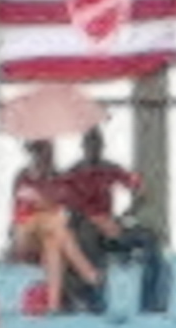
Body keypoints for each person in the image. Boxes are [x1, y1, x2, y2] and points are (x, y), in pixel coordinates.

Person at [59, 130, 167, 314]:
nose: (93, 150)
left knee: (149, 239)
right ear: (83, 147)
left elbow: (140, 189)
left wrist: (127, 214)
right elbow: (63, 205)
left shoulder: (108, 169)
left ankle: (152, 303)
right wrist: (91, 219)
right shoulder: (74, 173)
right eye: (90, 145)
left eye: (97, 145)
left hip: (110, 227)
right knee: (87, 236)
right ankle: (94, 300)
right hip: (85, 226)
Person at [8, 138, 104, 310]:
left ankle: (53, 304)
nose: (44, 158)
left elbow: (64, 209)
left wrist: (44, 204)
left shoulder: (58, 180)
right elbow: (21, 211)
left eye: (47, 153)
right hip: (25, 235)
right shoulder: (24, 177)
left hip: (49, 234)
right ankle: (89, 273)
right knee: (53, 224)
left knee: (53, 242)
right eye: (40, 152)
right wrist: (45, 205)